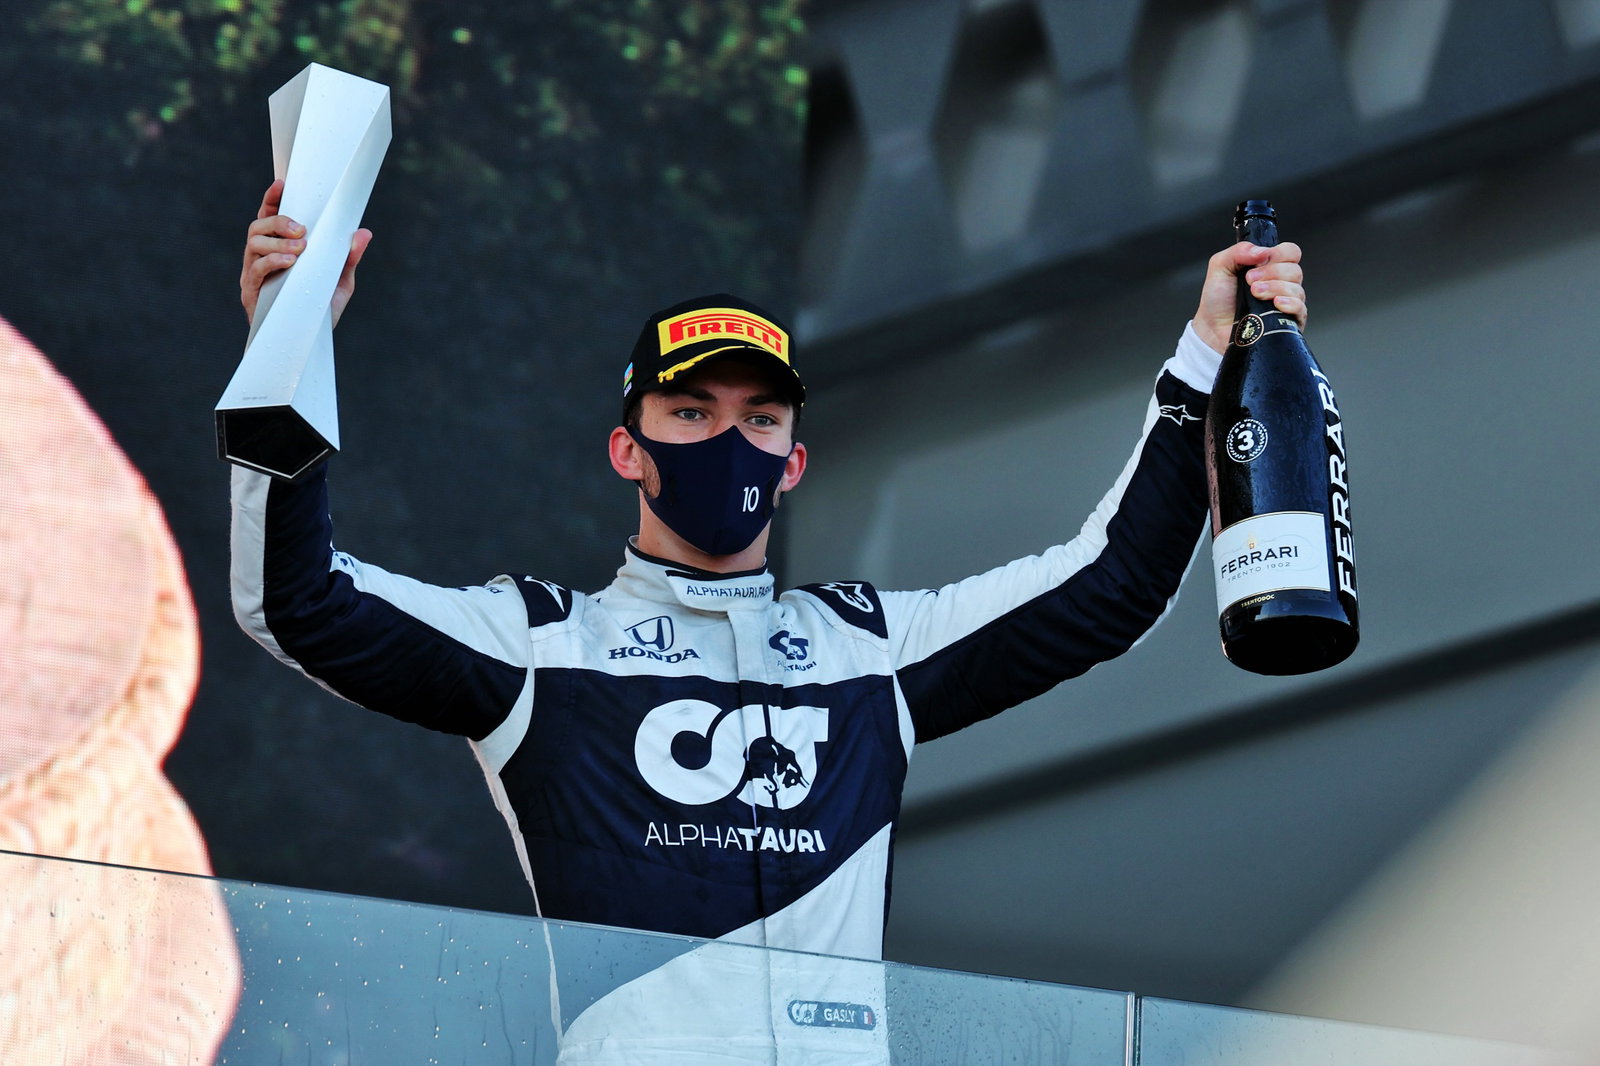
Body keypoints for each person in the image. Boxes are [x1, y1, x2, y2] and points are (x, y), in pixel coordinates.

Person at [232, 179, 1305, 1053]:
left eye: (758, 418)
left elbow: (1106, 587)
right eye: (689, 411)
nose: (725, 438)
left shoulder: (868, 649)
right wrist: (289, 346)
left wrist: (1206, 356)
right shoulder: (540, 648)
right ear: (627, 448)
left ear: (793, 462)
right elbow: (301, 601)